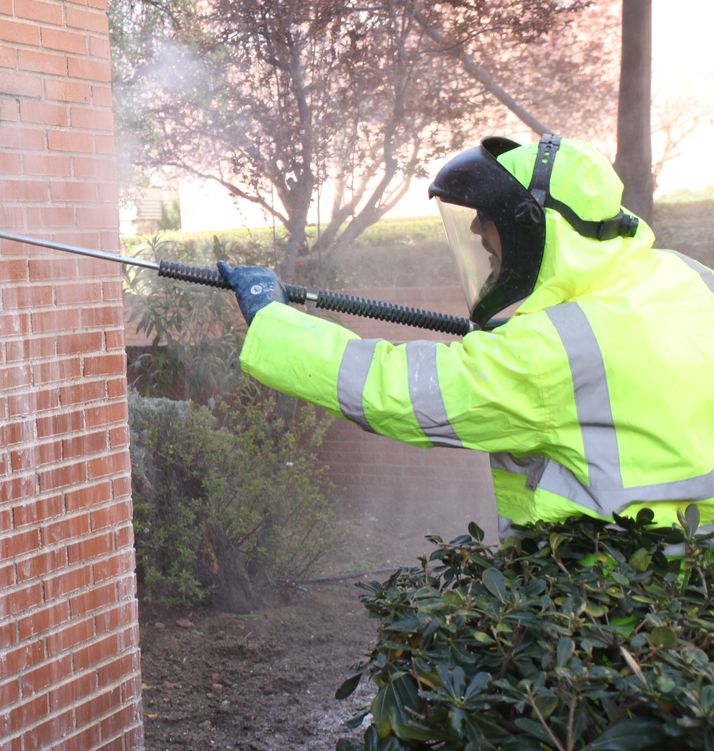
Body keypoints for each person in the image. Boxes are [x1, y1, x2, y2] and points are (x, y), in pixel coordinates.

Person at [217, 135, 714, 535]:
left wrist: (272, 320)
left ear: (535, 227)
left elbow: (404, 394)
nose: (477, 230)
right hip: (687, 595)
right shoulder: (690, 277)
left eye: (489, 217)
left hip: (605, 612)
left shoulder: (551, 351)